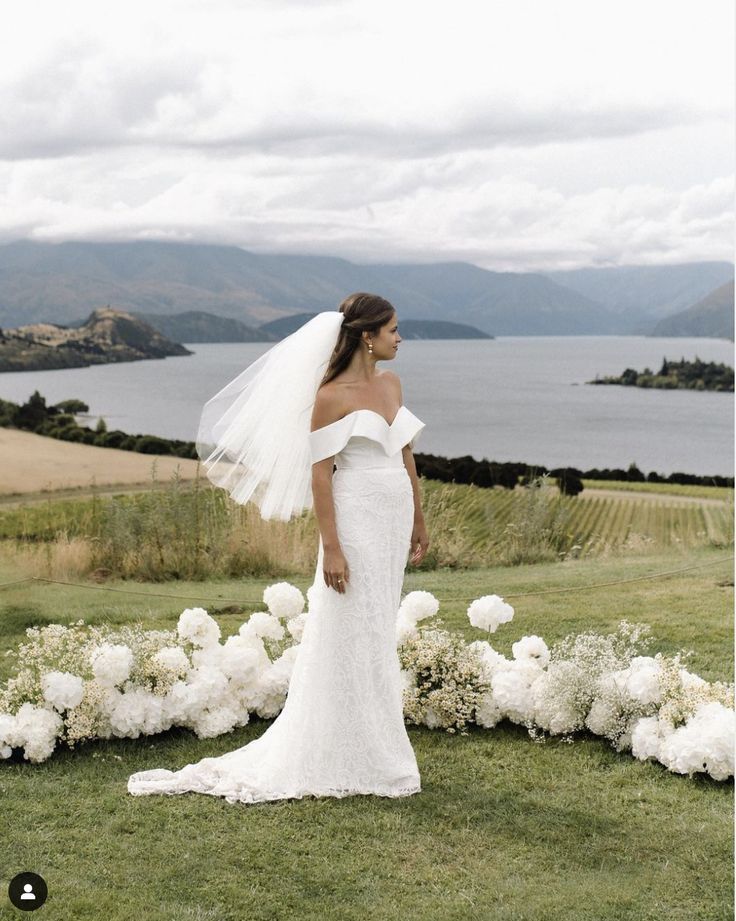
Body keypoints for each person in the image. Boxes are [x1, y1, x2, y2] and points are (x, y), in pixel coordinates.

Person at [127, 292, 429, 803]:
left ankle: (379, 750)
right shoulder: (330, 395)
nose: (400, 338)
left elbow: (406, 456)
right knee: (346, 628)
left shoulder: (393, 384)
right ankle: (335, 749)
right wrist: (331, 546)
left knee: (378, 629)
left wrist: (420, 518)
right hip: (354, 521)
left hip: (393, 518)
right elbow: (320, 476)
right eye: (394, 329)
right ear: (366, 336)